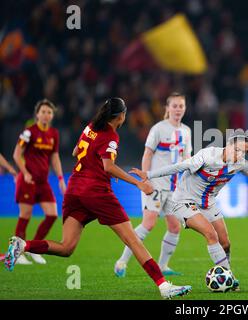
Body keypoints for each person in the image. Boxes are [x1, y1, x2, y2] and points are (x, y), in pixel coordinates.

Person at [4, 98, 191, 299]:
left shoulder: (91, 126)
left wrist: (98, 168)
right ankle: (164, 287)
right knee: (133, 240)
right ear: (121, 116)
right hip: (96, 192)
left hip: (75, 189)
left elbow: (77, 152)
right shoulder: (111, 136)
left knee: (67, 247)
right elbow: (108, 166)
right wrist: (137, 183)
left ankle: (24, 245)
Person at [131, 132, 248, 290]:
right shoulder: (207, 156)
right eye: (237, 150)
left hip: (209, 204)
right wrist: (149, 174)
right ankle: (229, 278)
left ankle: (226, 275)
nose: (240, 155)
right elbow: (179, 166)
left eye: (244, 152)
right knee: (211, 234)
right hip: (184, 201)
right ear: (227, 145)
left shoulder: (239, 163)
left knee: (225, 243)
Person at [115, 93, 191, 278]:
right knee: (148, 224)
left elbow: (187, 159)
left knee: (174, 227)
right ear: (167, 108)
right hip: (156, 184)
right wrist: (146, 180)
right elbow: (147, 154)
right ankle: (122, 261)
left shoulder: (187, 131)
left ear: (185, 108)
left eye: (181, 105)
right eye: (175, 105)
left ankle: (163, 265)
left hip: (173, 188)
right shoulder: (159, 129)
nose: (178, 109)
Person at [12, 99, 66, 265]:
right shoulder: (29, 132)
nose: (46, 115)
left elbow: (55, 157)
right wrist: (26, 173)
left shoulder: (54, 134)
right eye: (43, 112)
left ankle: (33, 248)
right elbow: (16, 154)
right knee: (25, 215)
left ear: (52, 116)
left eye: (49, 112)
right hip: (27, 180)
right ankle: (17, 252)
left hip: (43, 182)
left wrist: (60, 179)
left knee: (52, 215)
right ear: (37, 115)